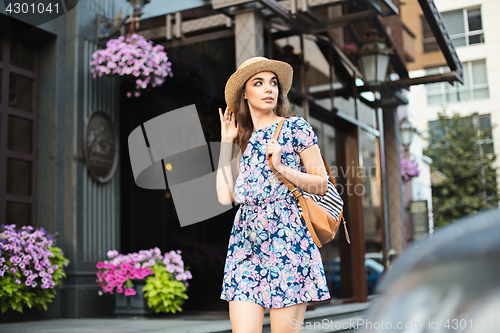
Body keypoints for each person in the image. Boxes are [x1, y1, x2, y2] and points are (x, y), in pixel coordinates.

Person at [216, 57, 331, 333]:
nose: (269, 89)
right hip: (245, 244)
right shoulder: (242, 139)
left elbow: (321, 184)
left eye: (273, 83)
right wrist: (226, 143)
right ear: (245, 92)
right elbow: (224, 196)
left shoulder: (295, 128)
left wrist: (281, 167)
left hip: (288, 240)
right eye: (258, 83)